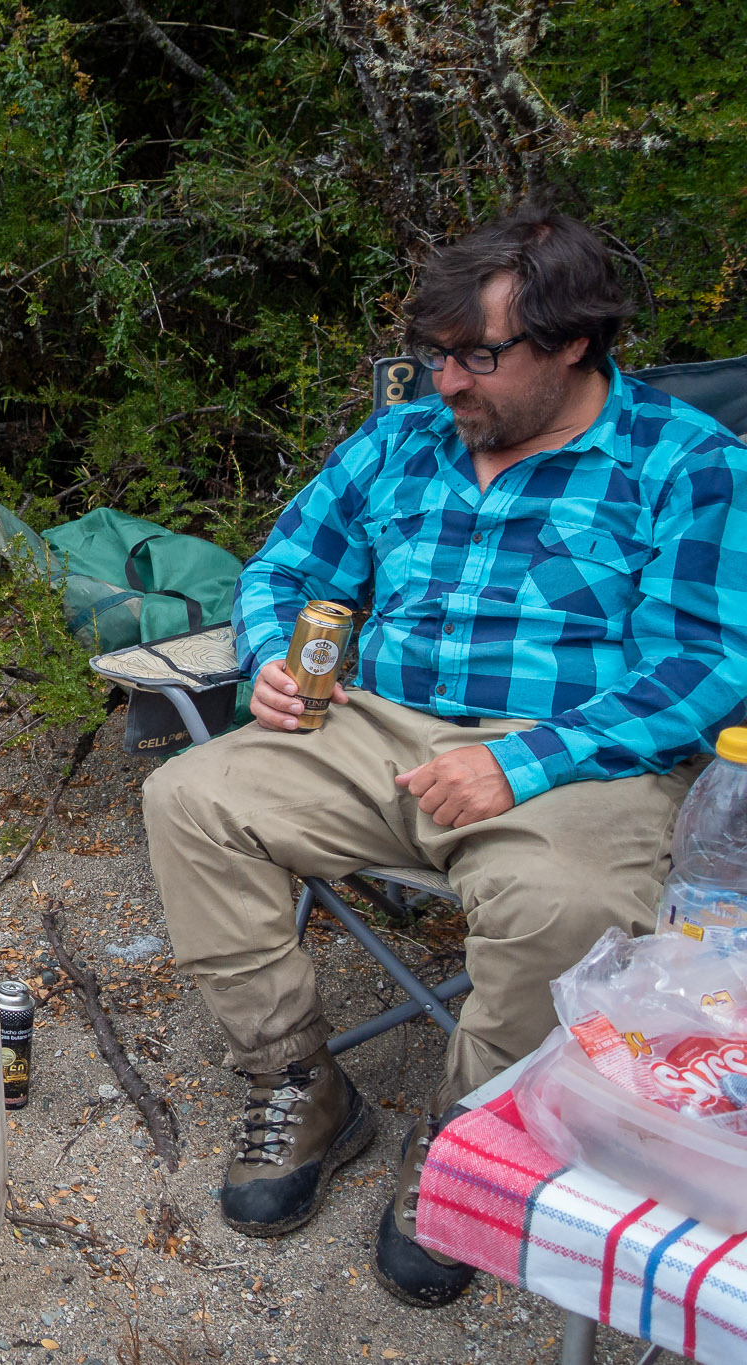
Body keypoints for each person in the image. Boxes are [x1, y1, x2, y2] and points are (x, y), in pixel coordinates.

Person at [142, 208, 747, 1306]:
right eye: (433, 354)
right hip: (373, 727)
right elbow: (287, 563)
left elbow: (702, 668)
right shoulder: (399, 441)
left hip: (578, 761)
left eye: (476, 355)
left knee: (562, 903)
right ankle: (299, 1086)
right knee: (189, 797)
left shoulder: (687, 465)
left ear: (570, 343)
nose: (444, 384)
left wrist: (520, 765)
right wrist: (274, 653)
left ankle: (463, 1145)